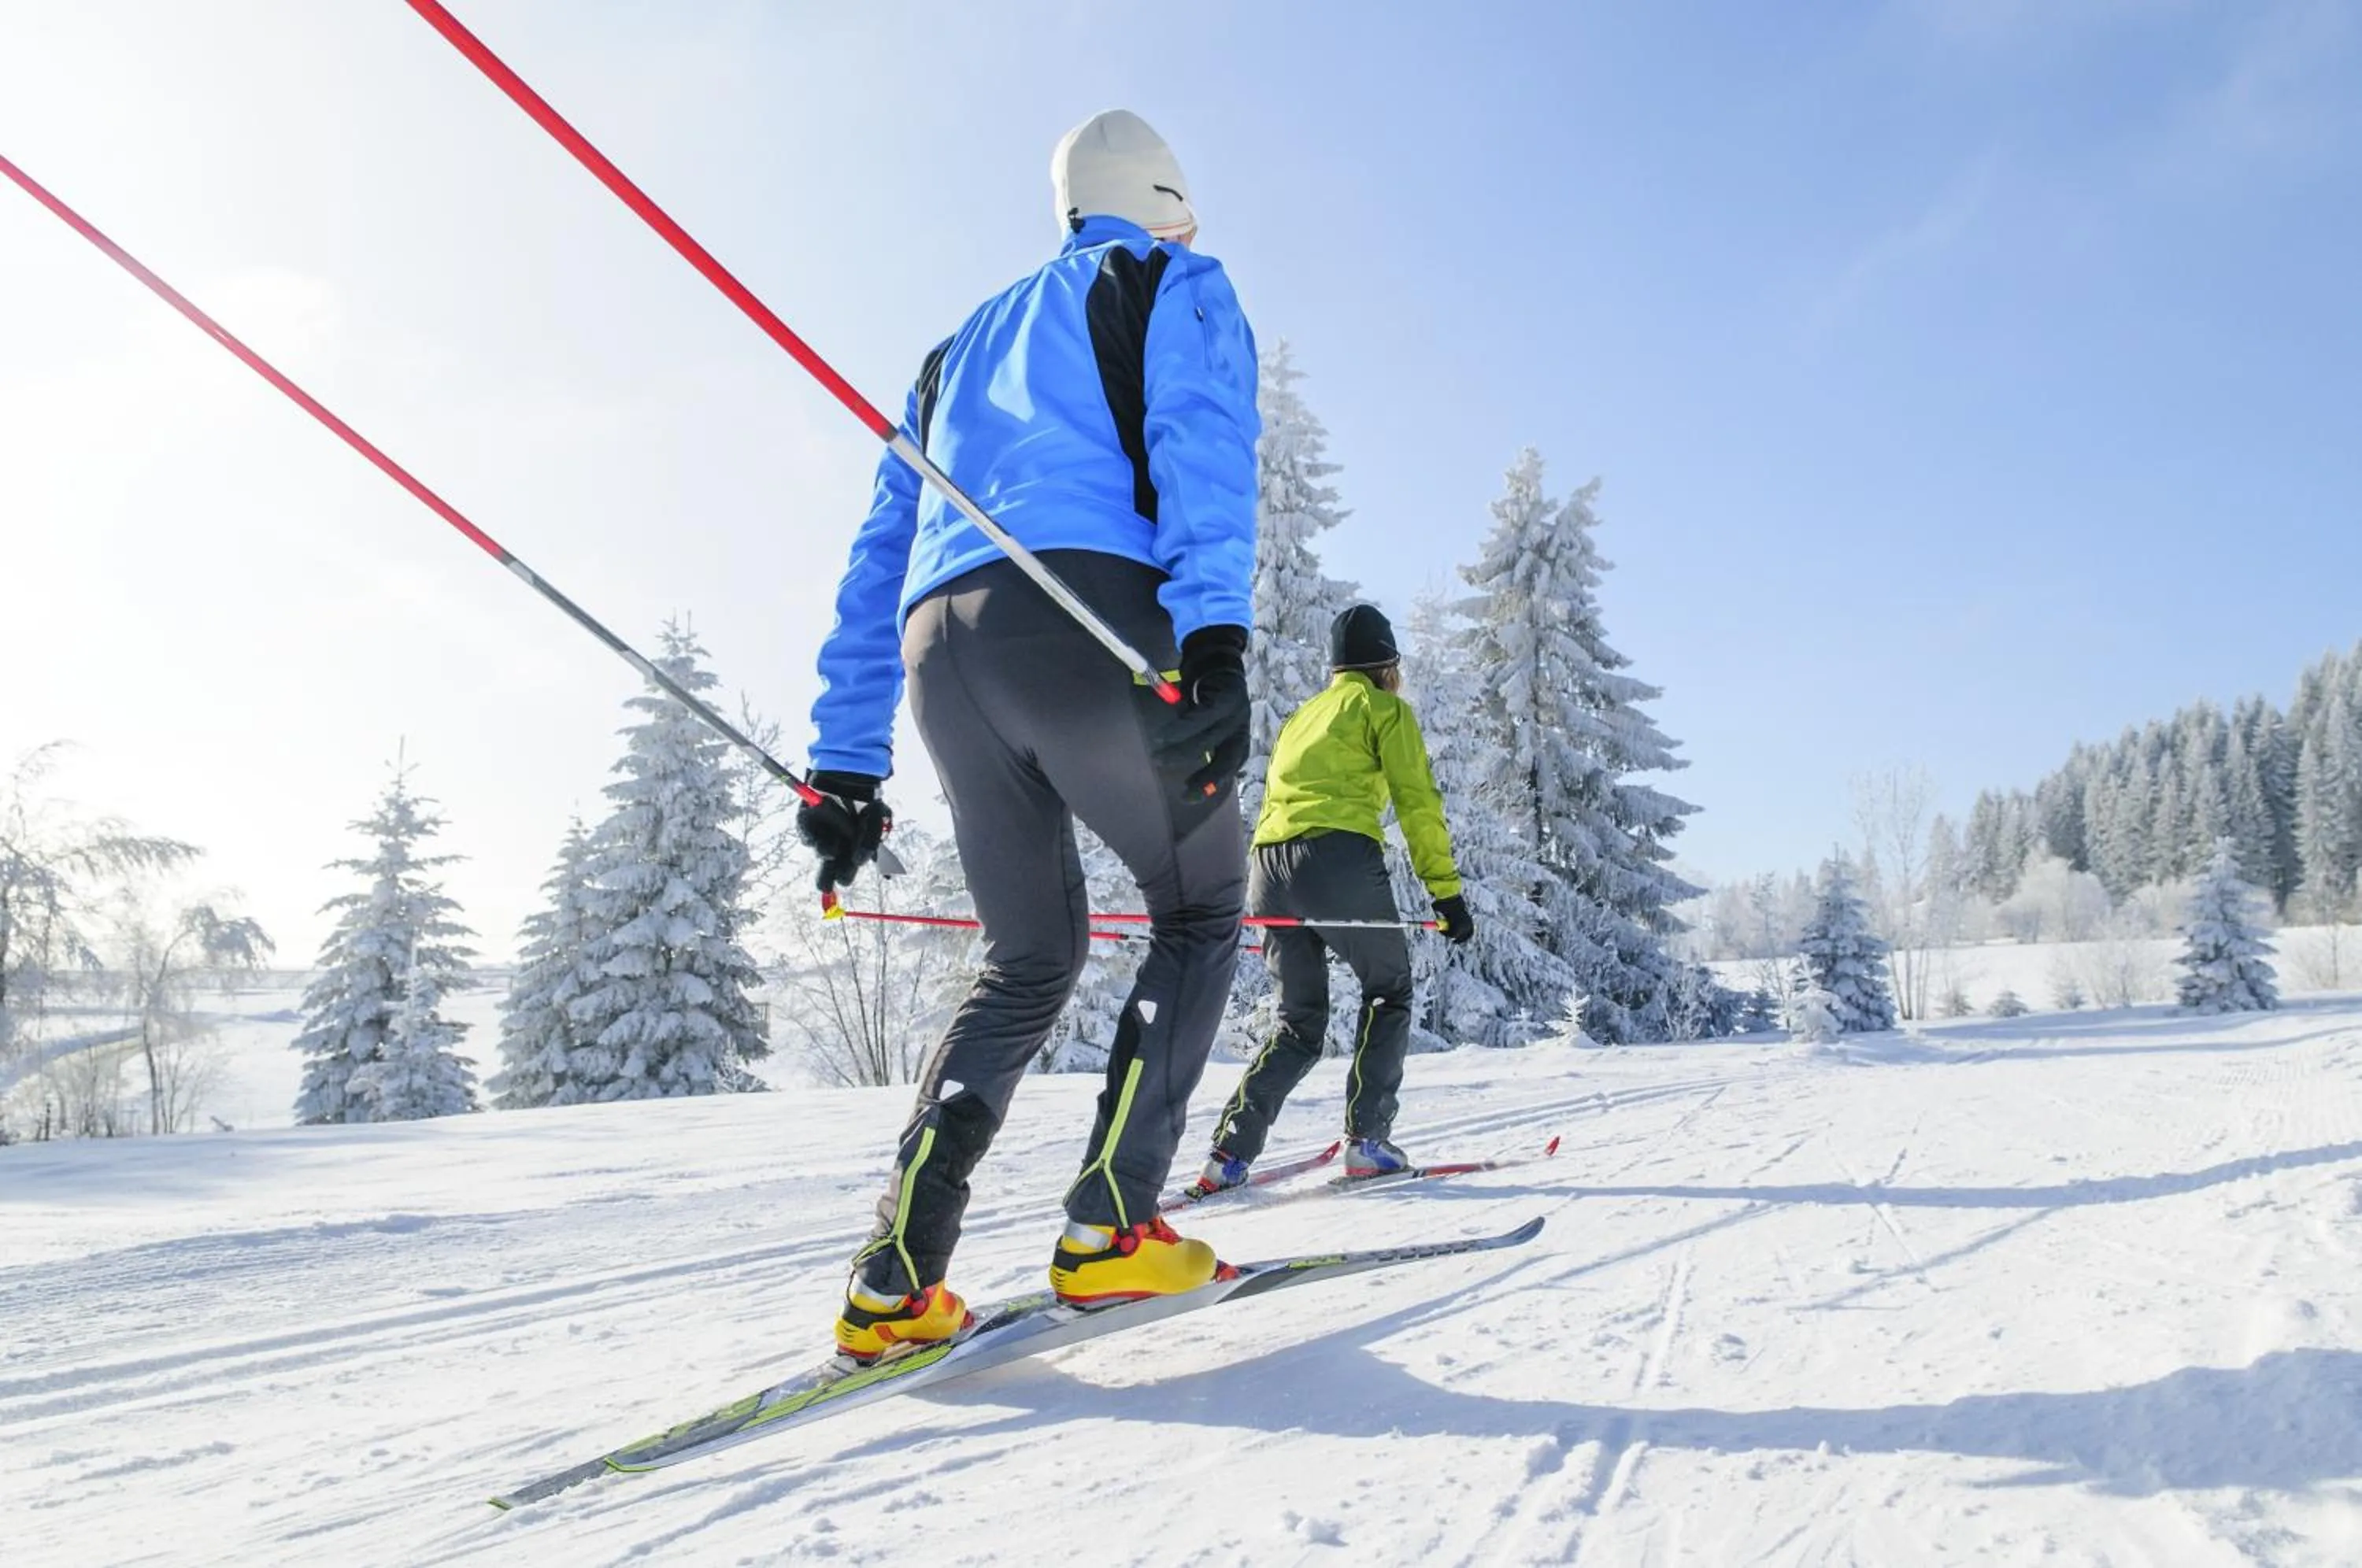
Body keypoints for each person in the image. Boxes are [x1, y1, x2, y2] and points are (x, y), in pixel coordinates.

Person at [795, 109, 1261, 1363]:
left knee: (1029, 957)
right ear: (1161, 199)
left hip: (941, 648)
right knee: (1205, 906)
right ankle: (1111, 1232)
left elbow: (876, 550)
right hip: (1087, 614)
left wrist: (846, 755)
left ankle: (893, 1283)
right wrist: (1217, 634)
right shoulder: (1171, 279)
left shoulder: (951, 355)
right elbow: (1201, 446)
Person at [1196, 603, 1474, 1192]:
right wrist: (1446, 894)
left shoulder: (1303, 715)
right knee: (1389, 988)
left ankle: (1228, 1154)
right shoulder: (1383, 709)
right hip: (1337, 858)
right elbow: (1417, 802)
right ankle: (1368, 1142)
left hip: (1268, 866)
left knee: (1298, 1022)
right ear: (1388, 665)